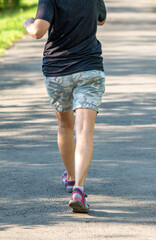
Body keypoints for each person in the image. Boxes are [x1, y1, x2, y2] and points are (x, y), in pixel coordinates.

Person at [23, 0, 107, 213]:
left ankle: (71, 177)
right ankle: (78, 188)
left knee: (65, 125)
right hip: (89, 68)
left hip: (57, 69)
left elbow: (38, 31)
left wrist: (28, 23)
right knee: (84, 130)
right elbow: (102, 19)